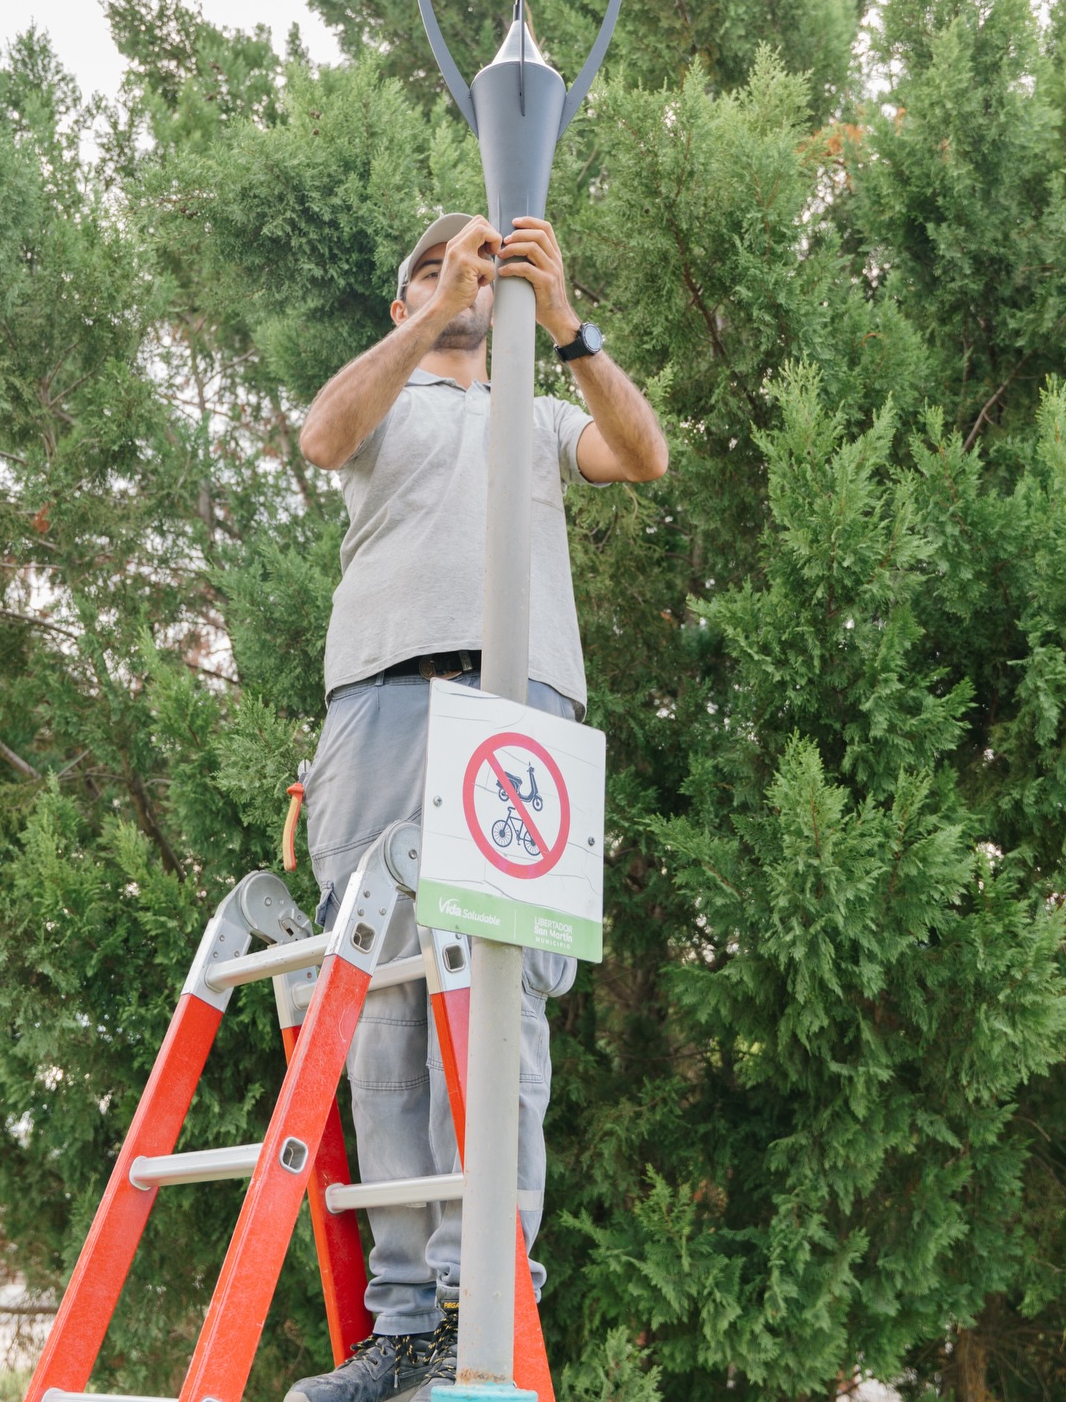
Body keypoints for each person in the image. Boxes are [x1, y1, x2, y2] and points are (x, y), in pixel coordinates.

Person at [286, 211, 668, 1402]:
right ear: (404, 300)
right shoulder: (386, 397)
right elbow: (321, 433)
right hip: (382, 702)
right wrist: (446, 301)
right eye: (437, 265)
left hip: (517, 715)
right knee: (385, 1009)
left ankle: (479, 1298)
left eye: (483, 262)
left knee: (504, 998)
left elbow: (644, 452)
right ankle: (404, 1322)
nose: (464, 273)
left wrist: (563, 321)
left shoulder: (538, 417)